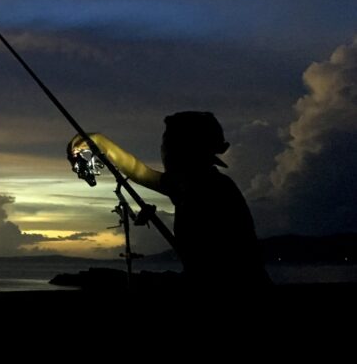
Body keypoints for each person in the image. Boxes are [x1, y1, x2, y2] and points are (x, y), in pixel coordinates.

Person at [68, 111, 270, 290]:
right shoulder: (193, 184)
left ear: (186, 150)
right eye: (165, 145)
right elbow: (139, 171)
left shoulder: (211, 189)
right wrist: (98, 140)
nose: (164, 152)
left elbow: (219, 271)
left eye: (168, 145)